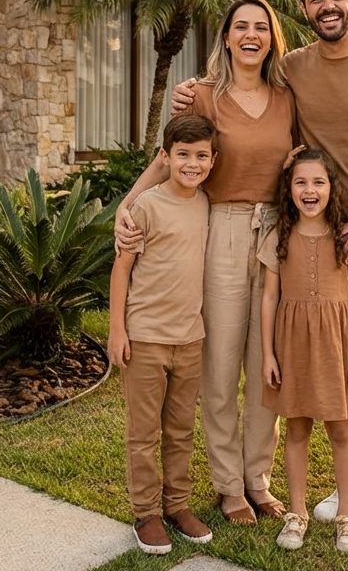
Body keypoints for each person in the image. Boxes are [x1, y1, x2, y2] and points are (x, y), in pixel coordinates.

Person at [172, 0, 348, 554]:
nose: (327, 6)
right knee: (341, 360)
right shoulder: (292, 71)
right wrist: (189, 91)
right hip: (310, 239)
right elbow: (237, 77)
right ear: (304, 9)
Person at [115, 0, 296, 525]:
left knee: (268, 367)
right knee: (218, 368)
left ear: (271, 38)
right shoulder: (201, 95)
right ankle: (227, 486)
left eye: (261, 27)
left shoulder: (288, 97)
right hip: (222, 231)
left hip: (275, 235)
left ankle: (257, 481)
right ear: (225, 36)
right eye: (241, 26)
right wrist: (127, 205)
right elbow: (168, 156)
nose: (251, 35)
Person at [107, 113, 218, 555]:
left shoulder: (207, 203)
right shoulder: (145, 206)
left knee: (180, 429)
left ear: (213, 159)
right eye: (183, 155)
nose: (192, 163)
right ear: (166, 157)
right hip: (146, 337)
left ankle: (177, 505)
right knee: (143, 431)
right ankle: (146, 513)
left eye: (202, 156)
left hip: (191, 338)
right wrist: (118, 330)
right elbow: (121, 270)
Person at [260, 149, 348, 554]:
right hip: (292, 346)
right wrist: (269, 355)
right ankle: (297, 513)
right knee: (297, 428)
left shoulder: (345, 237)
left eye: (318, 182)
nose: (310, 190)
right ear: (289, 190)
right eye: (300, 182)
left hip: (337, 346)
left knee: (342, 429)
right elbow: (269, 298)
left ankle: (347, 516)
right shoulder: (279, 237)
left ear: (331, 188)